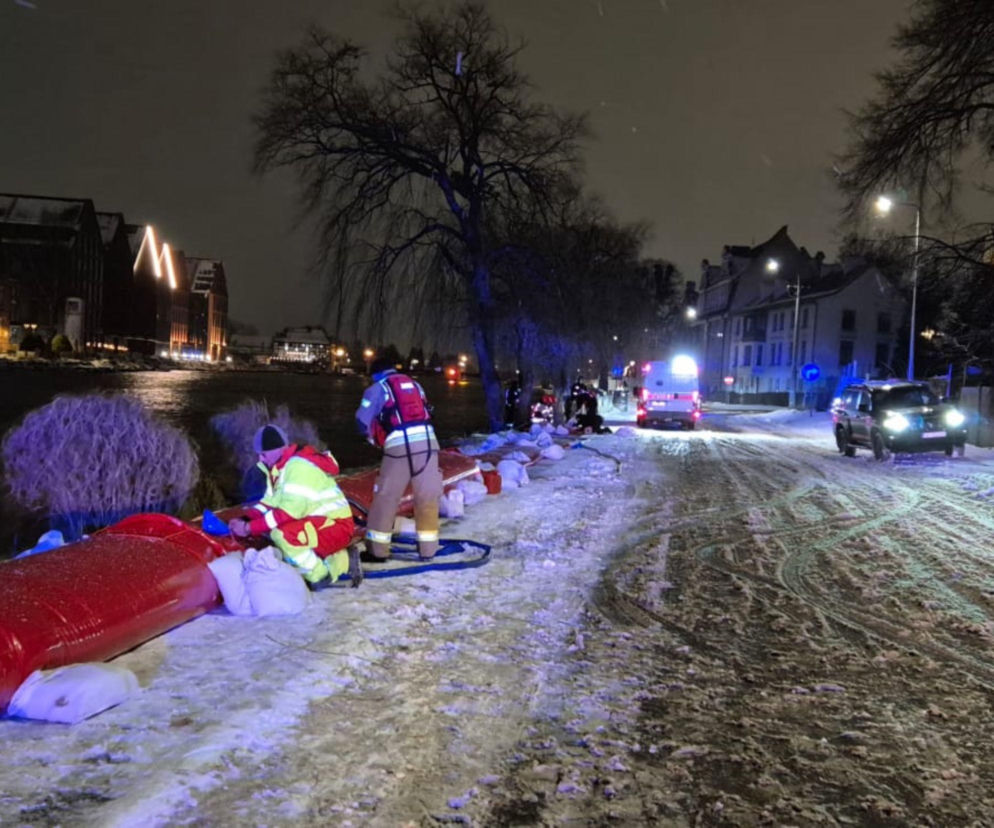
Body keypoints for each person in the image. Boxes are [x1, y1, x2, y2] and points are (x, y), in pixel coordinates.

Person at [228, 424, 358, 589]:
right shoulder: (279, 469)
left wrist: (248, 528)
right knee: (278, 532)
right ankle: (338, 560)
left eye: (263, 454)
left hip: (336, 526)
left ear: (277, 450)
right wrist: (245, 518)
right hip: (321, 523)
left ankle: (320, 575)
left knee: (282, 535)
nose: (260, 459)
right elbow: (269, 502)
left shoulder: (298, 468)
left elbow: (288, 512)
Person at [355, 358, 443, 561]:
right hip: (429, 445)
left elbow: (361, 420)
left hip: (398, 448)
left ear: (376, 374)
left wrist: (372, 438)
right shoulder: (415, 385)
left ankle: (377, 551)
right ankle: (428, 551)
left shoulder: (377, 388)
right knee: (427, 498)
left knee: (386, 498)